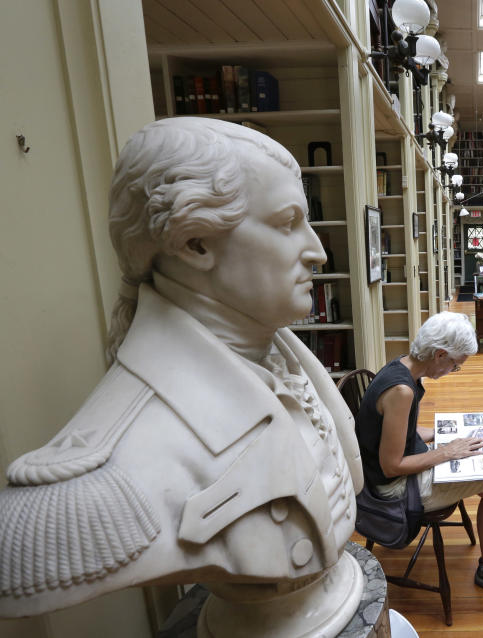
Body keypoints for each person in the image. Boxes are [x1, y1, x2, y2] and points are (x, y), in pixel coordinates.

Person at [0, 117, 364, 630]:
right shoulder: (100, 485)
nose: (318, 251)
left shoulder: (288, 361)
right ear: (195, 244)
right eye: (287, 223)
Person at [355, 312, 483, 602]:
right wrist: (447, 450)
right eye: (455, 365)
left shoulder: (400, 367)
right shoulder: (401, 391)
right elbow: (391, 465)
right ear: (439, 355)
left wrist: (442, 433)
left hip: (400, 467)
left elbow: (401, 433)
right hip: (393, 490)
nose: (453, 371)